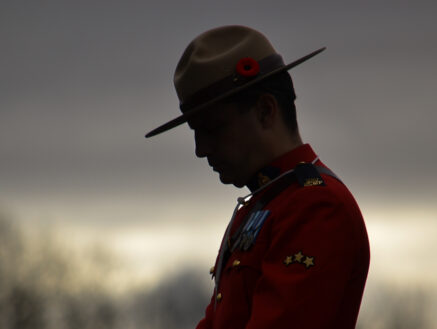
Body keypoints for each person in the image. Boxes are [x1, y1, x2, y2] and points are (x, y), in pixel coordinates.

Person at [145, 25, 370, 329]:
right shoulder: (263, 206)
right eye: (196, 132)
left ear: (265, 111)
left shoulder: (316, 207)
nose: (200, 149)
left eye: (213, 129)